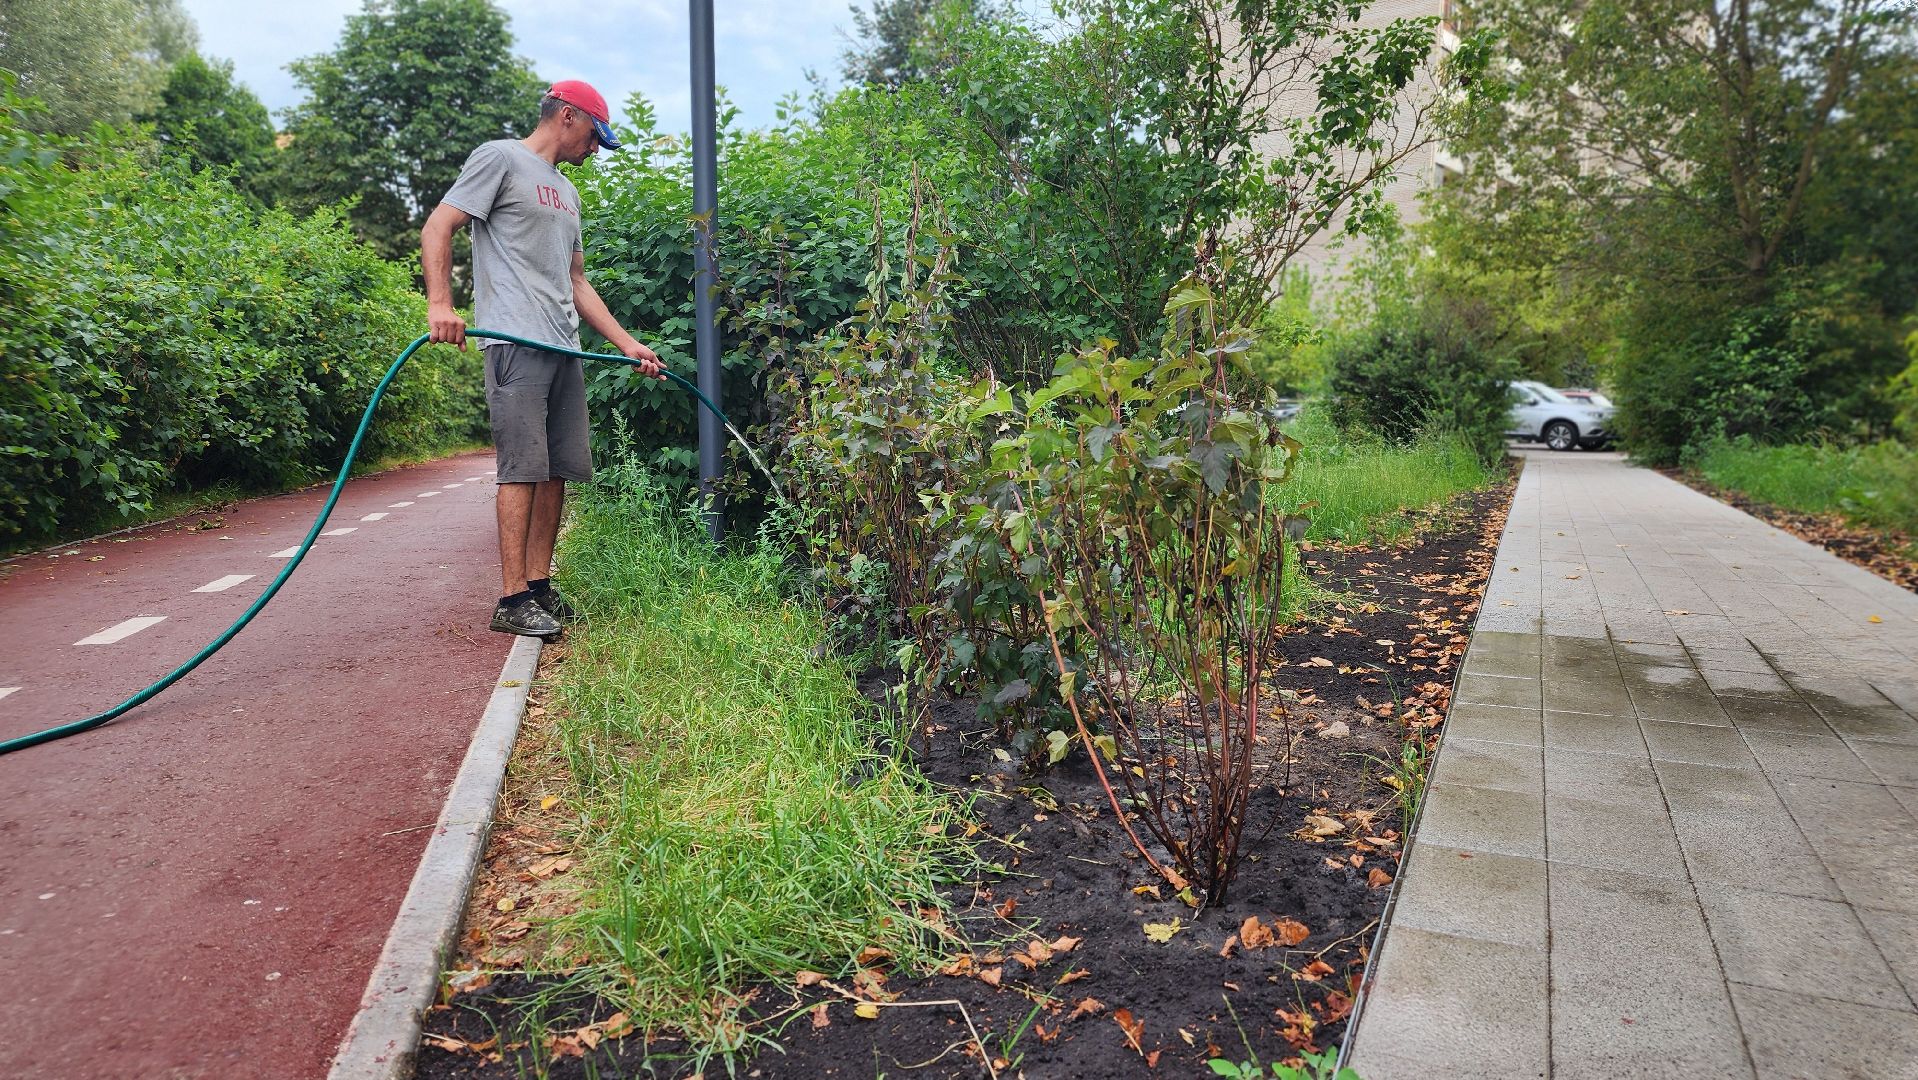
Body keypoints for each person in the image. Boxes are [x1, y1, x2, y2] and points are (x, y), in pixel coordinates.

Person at [421, 80, 662, 638]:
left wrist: (626, 342)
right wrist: (441, 303)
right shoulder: (500, 158)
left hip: (563, 345)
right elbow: (439, 225)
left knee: (557, 470)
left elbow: (576, 281)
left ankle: (538, 586)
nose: (596, 151)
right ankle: (509, 601)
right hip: (514, 341)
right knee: (522, 470)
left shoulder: (568, 194)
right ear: (568, 117)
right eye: (595, 137)